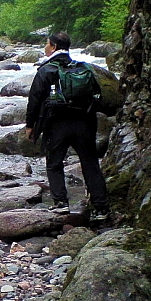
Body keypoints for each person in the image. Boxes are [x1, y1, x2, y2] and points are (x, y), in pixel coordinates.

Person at [25, 31, 110, 222]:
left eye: (47, 44)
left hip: (57, 124)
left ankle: (61, 203)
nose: (45, 47)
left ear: (53, 46)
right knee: (90, 164)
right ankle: (101, 208)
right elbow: (97, 96)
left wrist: (30, 126)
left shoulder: (46, 70)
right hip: (84, 123)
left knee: (54, 164)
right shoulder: (83, 68)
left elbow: (34, 100)